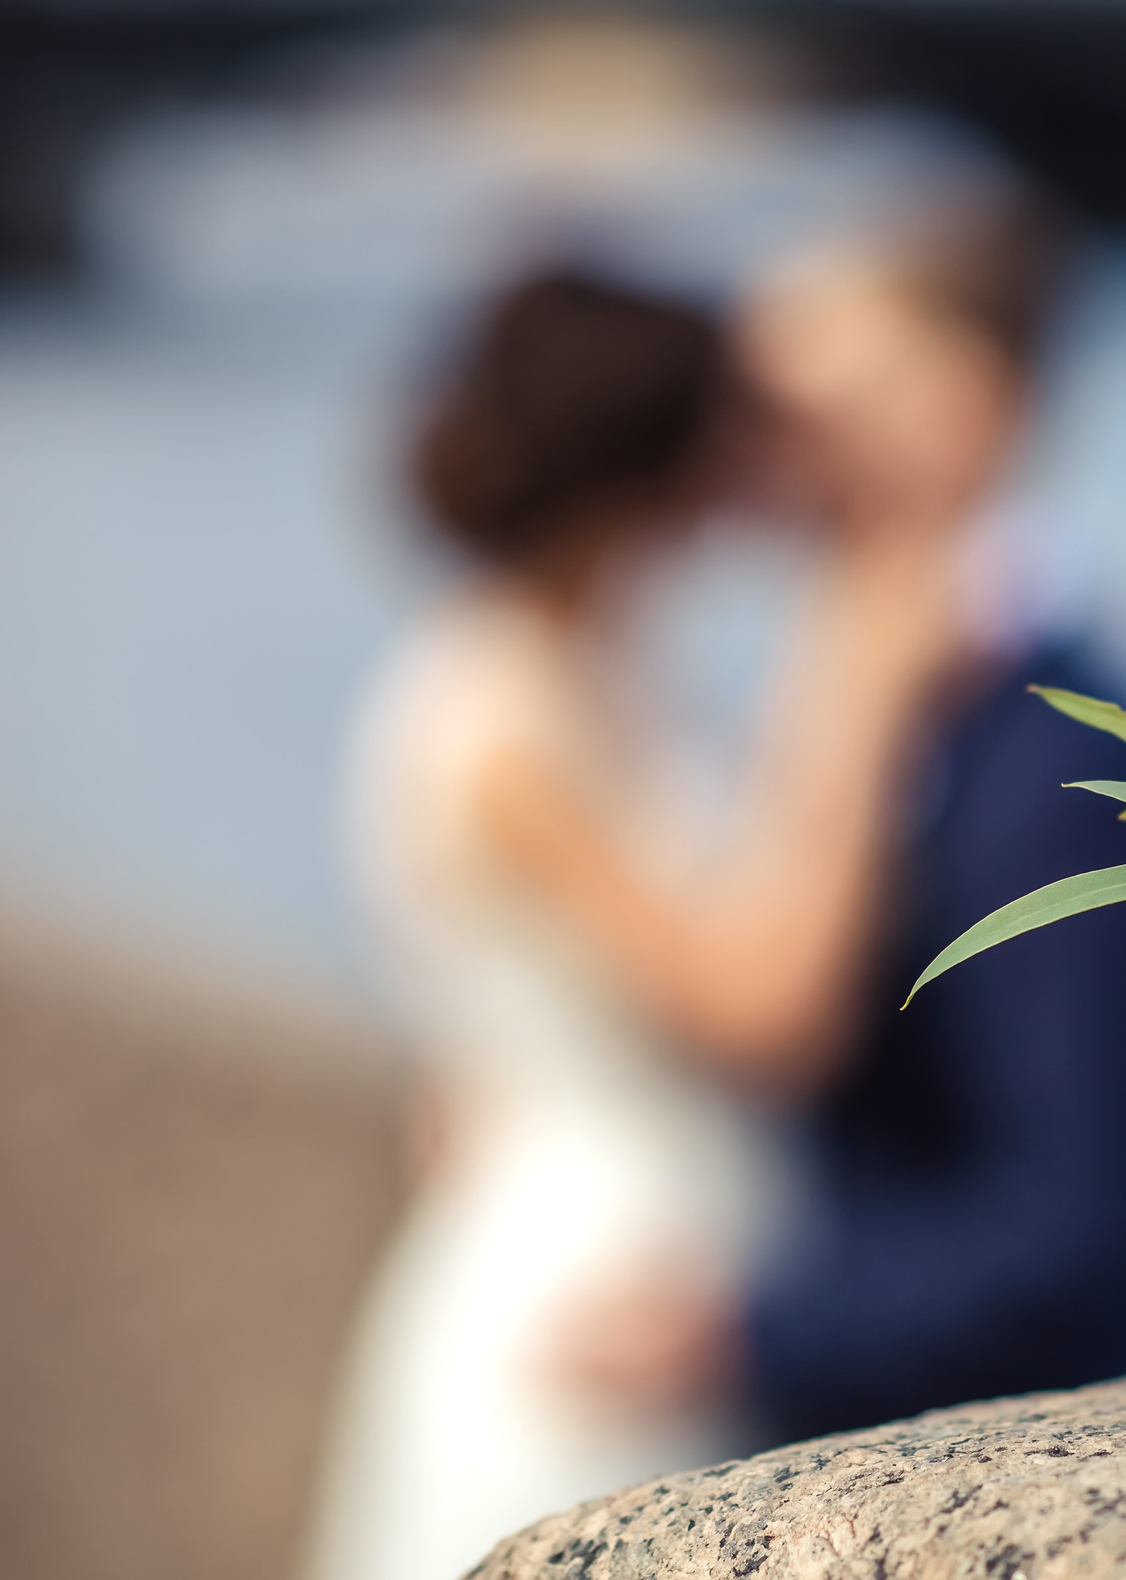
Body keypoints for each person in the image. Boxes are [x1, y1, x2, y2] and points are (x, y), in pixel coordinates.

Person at [303, 269, 973, 1580]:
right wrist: (854, 698)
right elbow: (767, 1014)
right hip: (590, 1302)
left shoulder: (547, 666)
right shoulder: (510, 721)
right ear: (659, 469)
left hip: (593, 1240)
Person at [725, 178, 1126, 1442]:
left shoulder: (1068, 761)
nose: (754, 439)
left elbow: (1063, 1222)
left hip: (1003, 1453)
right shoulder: (854, 685)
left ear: (961, 409)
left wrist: (737, 1329)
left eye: (810, 400)